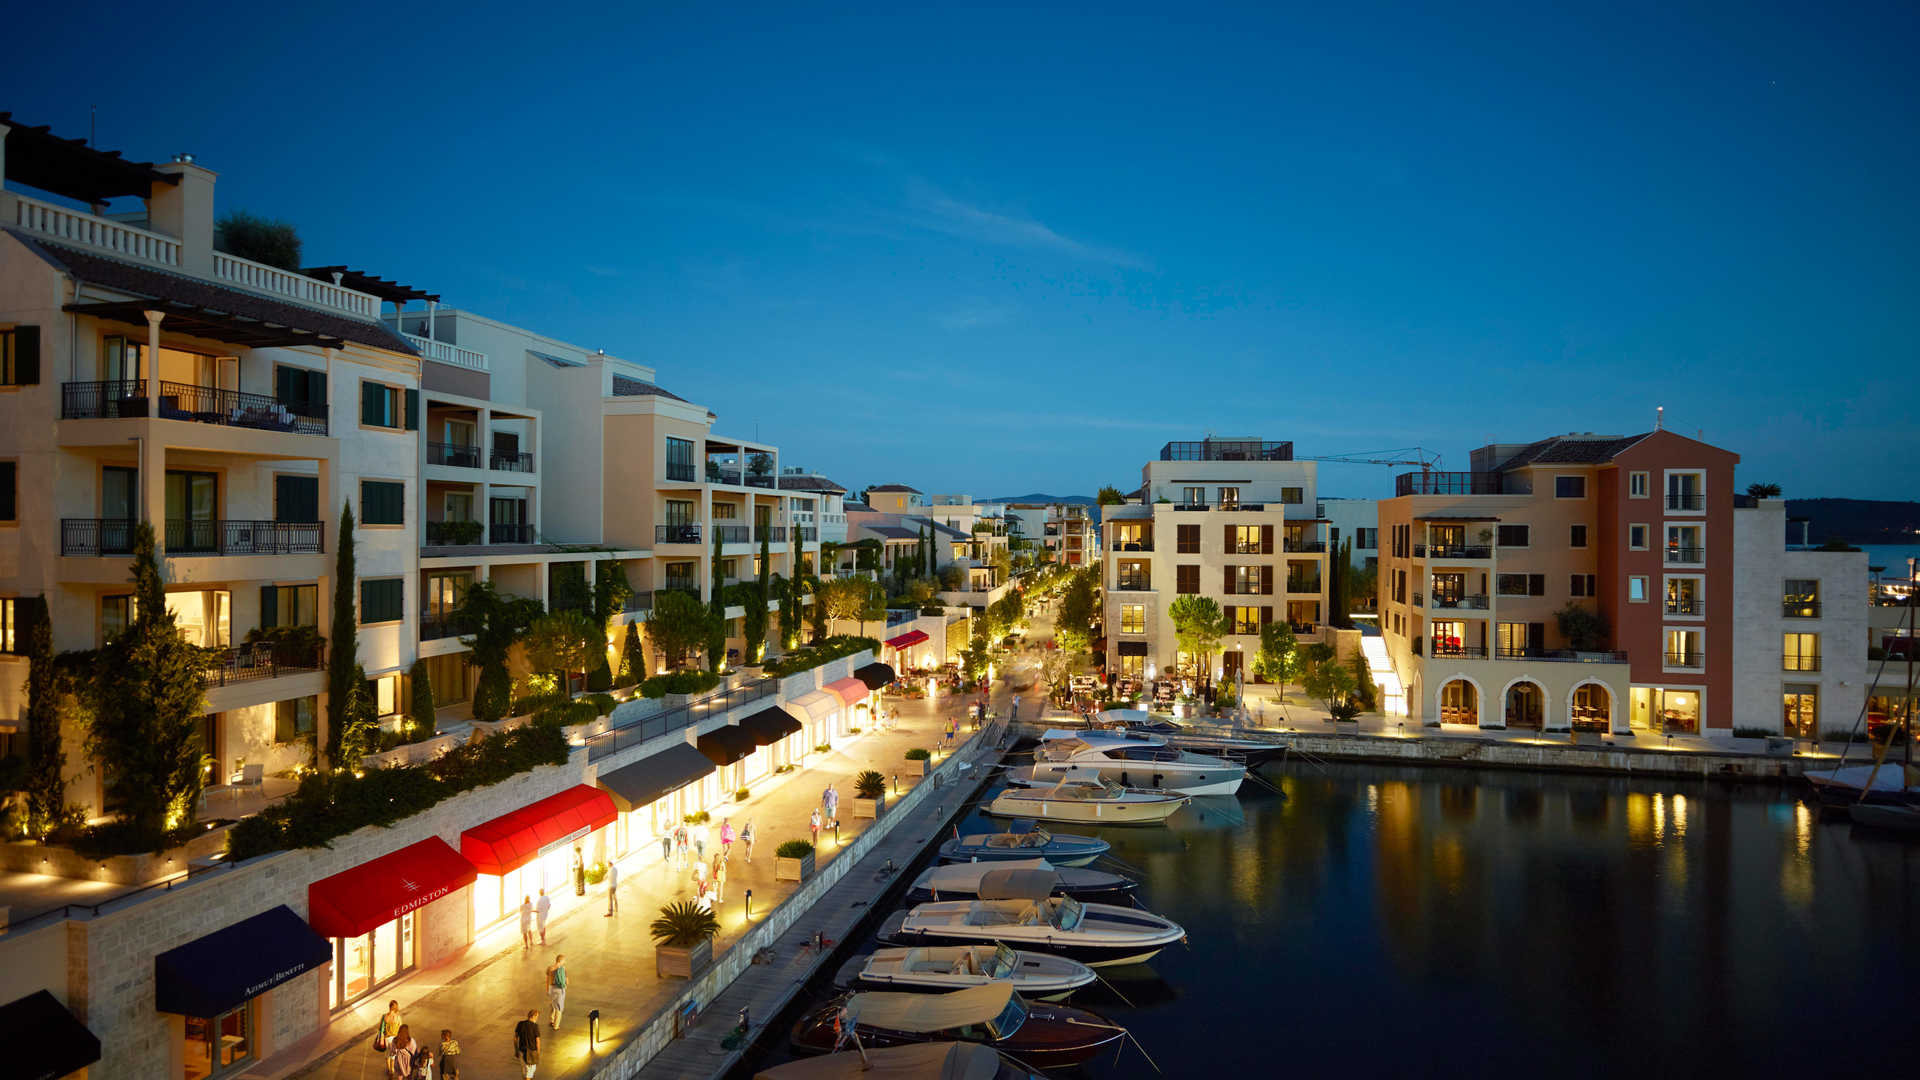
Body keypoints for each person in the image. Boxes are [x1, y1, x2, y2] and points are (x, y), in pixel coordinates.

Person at [514, 1009, 541, 1078]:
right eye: (537, 1016)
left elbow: (515, 1038)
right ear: (533, 1016)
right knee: (529, 1072)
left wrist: (516, 1050)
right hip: (531, 1052)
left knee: (525, 1070)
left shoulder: (520, 1024)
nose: (537, 1018)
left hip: (521, 1050)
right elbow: (537, 1041)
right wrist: (538, 1052)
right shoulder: (535, 1026)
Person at [546, 954, 568, 1029]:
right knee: (559, 1007)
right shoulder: (563, 968)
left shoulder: (550, 968)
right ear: (561, 961)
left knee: (553, 1005)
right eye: (564, 960)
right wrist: (565, 985)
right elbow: (567, 981)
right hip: (559, 989)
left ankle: (551, 1020)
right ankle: (556, 1025)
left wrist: (548, 989)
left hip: (551, 988)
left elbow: (547, 979)